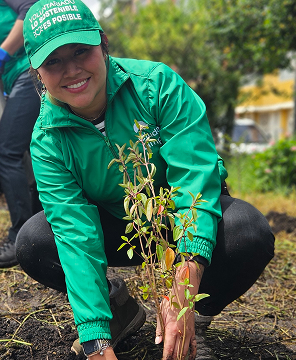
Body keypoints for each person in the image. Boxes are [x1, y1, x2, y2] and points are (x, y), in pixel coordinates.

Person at [15, 1, 275, 360]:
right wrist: (95, 340)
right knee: (34, 241)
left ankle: (192, 323)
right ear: (37, 72)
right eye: (53, 61)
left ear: (103, 45)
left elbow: (194, 177)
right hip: (120, 228)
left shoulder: (156, 85)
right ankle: (116, 309)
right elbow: (74, 233)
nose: (72, 69)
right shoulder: (47, 139)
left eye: (81, 51)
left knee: (248, 231)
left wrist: (183, 291)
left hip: (177, 218)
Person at [0, 0, 43, 267]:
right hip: (21, 76)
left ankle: (20, 238)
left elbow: (30, 11)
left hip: (30, 73)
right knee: (36, 154)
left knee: (5, 151)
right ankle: (41, 235)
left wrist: (0, 55)